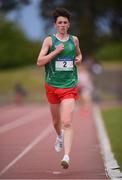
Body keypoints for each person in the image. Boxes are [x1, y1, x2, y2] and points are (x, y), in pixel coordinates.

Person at [37, 7, 82, 169]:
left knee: (67, 122)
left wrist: (78, 59)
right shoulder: (49, 41)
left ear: (69, 24)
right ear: (55, 25)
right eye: (60, 23)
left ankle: (67, 156)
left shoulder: (74, 40)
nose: (62, 25)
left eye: (65, 22)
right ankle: (59, 136)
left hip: (69, 86)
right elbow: (39, 62)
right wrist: (55, 52)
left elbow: (79, 54)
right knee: (56, 123)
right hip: (52, 86)